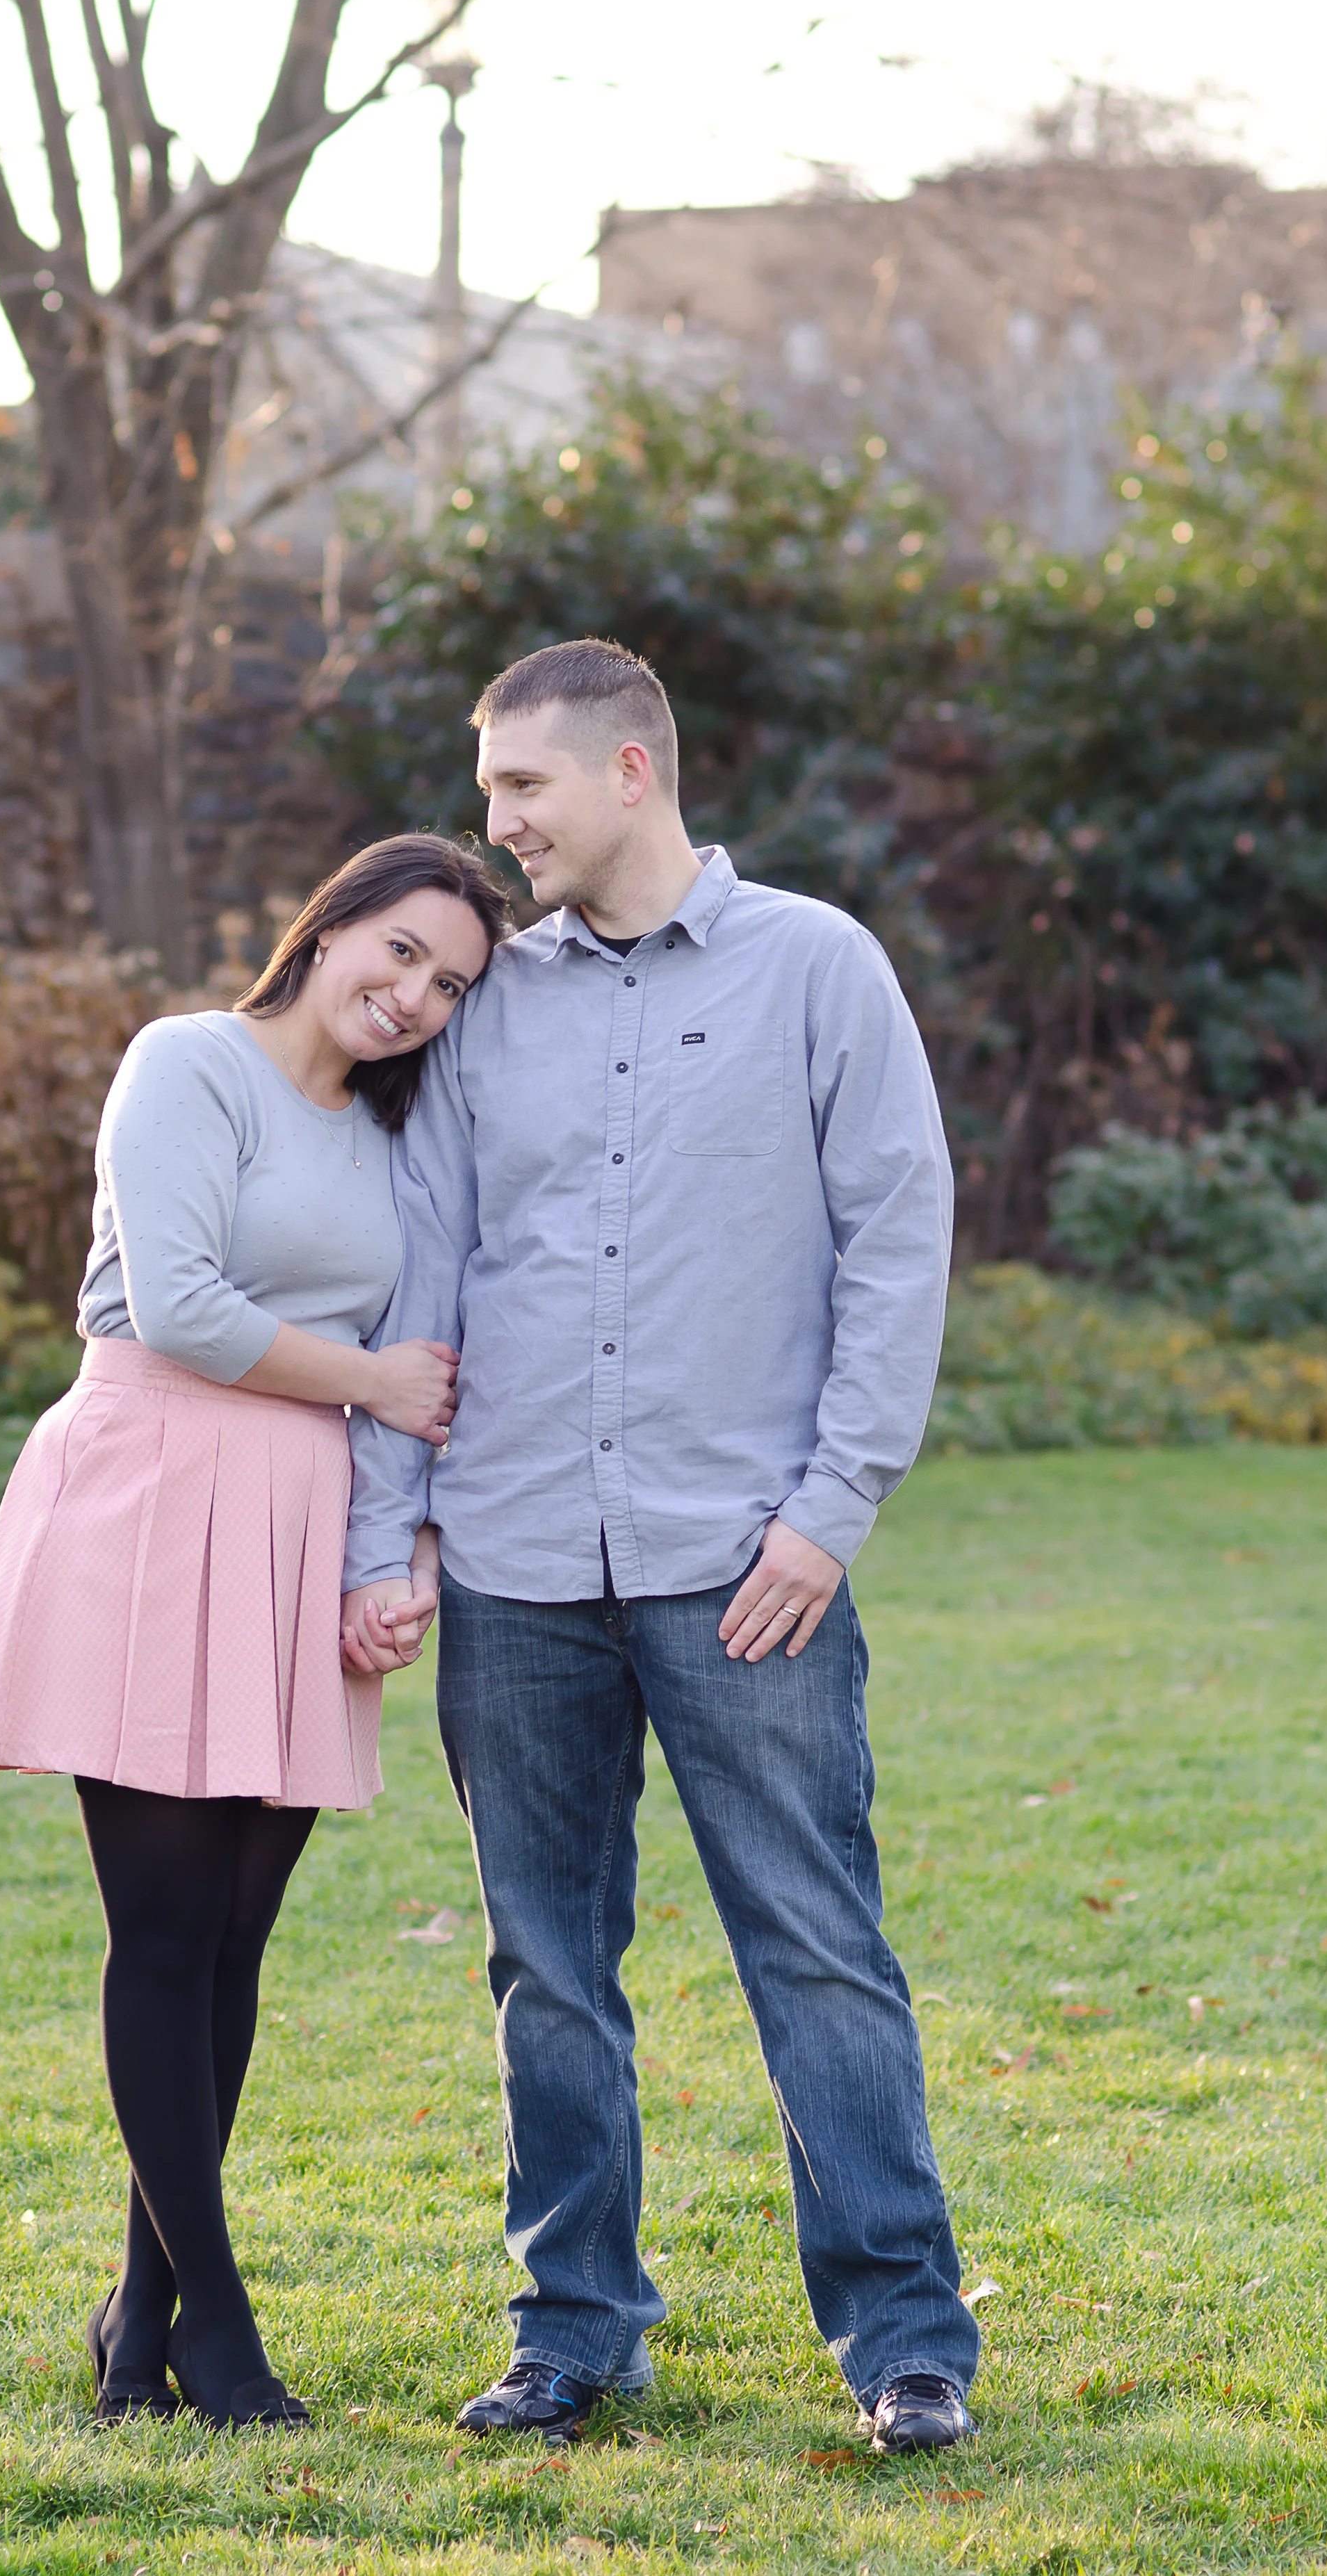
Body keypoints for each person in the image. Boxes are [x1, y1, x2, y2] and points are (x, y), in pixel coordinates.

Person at [341, 640, 981, 2458]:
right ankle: (573, 2331)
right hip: (517, 1559)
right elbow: (426, 1275)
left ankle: (904, 2340)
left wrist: (827, 1509)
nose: (498, 825)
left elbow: (893, 1242)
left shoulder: (815, 968)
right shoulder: (489, 1006)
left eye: (523, 788)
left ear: (630, 769)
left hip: (742, 1561)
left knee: (816, 1945)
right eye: (489, 793)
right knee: (545, 1962)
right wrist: (394, 1530)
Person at [0, 834, 508, 2429]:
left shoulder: (392, 1129)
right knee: (166, 1932)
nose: (413, 997)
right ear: (327, 926)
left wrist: (387, 1549)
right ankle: (218, 2328)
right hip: (150, 1490)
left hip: (293, 1521)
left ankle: (138, 2324)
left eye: (448, 984)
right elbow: (176, 1304)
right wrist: (375, 1383)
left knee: (235, 1940)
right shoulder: (187, 1064)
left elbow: (423, 1324)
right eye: (397, 951)